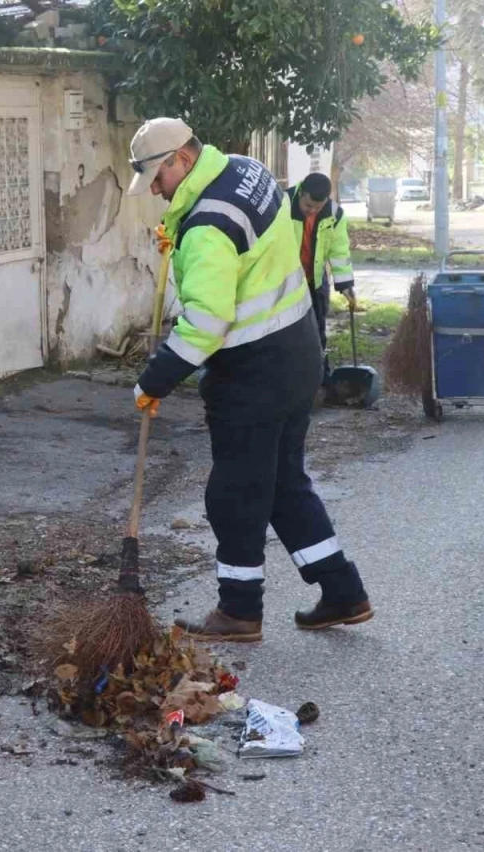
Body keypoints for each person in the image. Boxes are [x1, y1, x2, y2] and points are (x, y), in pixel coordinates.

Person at [127, 117, 373, 641]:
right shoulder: (248, 171)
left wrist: (155, 380)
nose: (153, 188)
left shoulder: (205, 229)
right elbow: (255, 257)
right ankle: (342, 591)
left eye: (156, 176)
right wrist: (183, 231)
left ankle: (239, 612)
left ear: (183, 161)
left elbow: (207, 324)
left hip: (253, 373)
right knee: (284, 483)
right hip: (300, 352)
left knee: (235, 494)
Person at [288, 172, 355, 388]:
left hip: (314, 282)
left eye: (318, 207)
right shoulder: (281, 205)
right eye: (308, 205)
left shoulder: (334, 214)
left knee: (317, 333)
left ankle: (318, 382)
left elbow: (339, 250)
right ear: (301, 193)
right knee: (285, 334)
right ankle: (285, 382)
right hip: (283, 283)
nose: (312, 211)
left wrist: (345, 285)